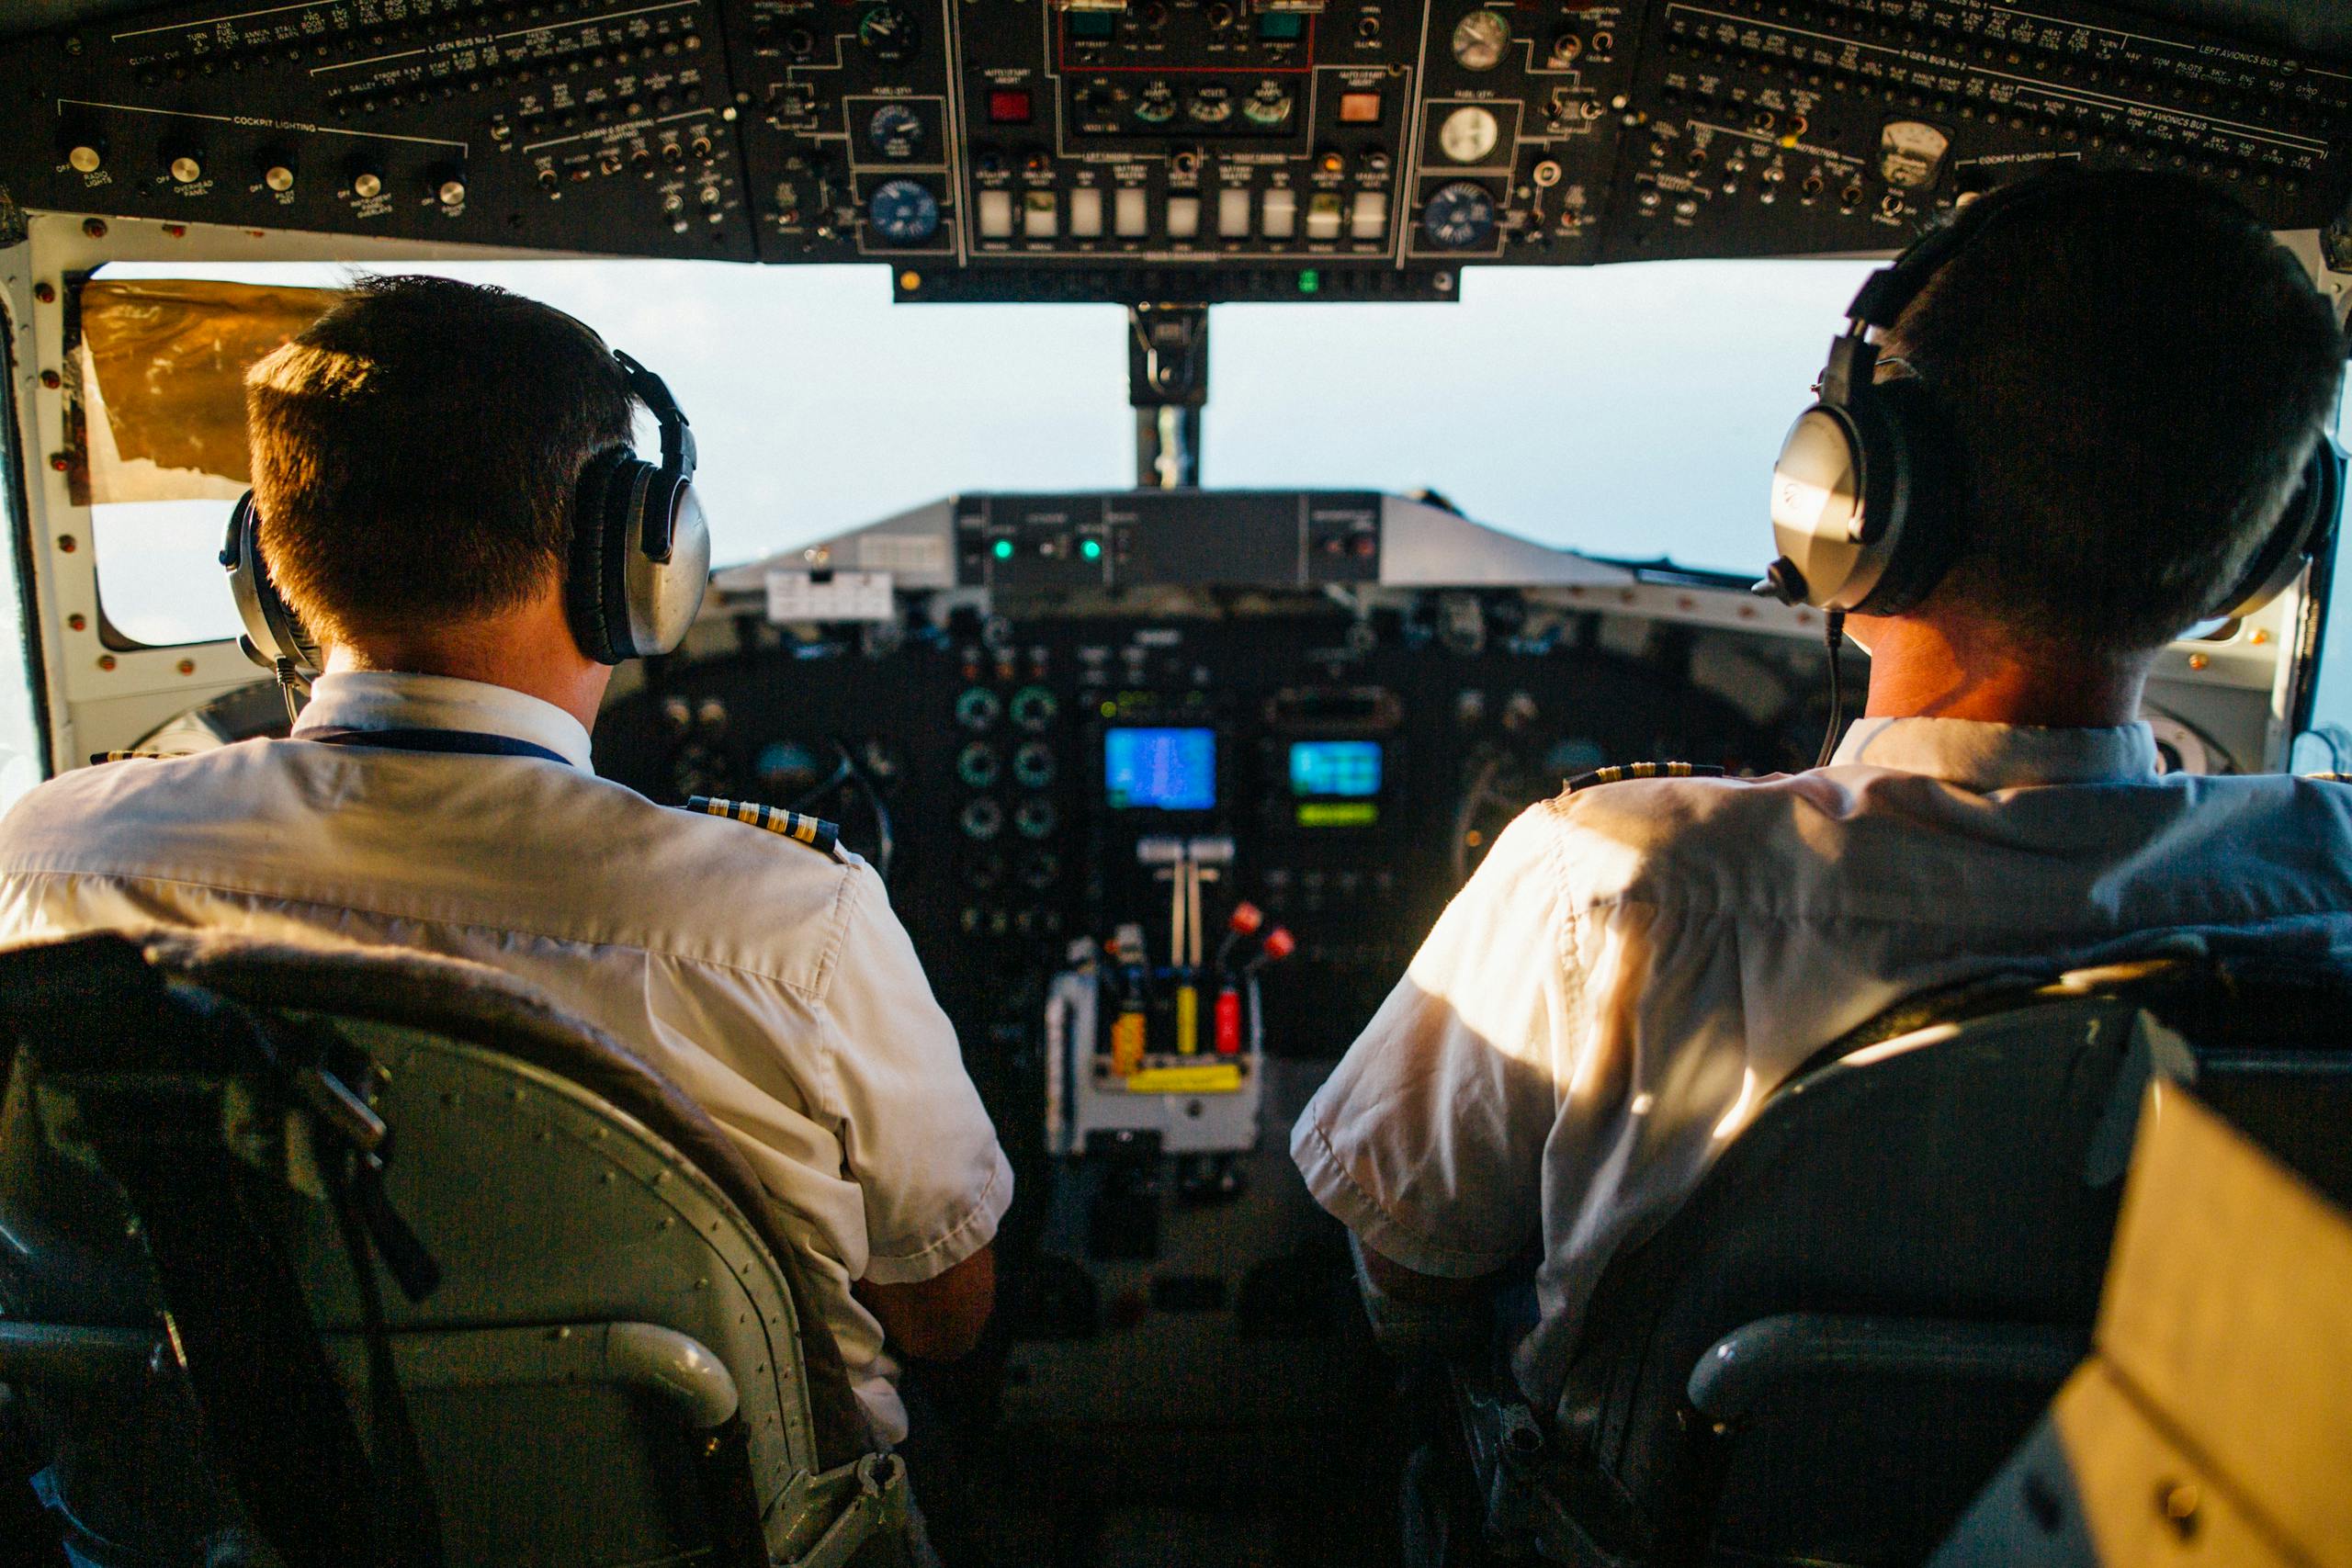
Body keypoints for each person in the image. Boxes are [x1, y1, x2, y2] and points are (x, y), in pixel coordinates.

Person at [1290, 170, 2352, 1417]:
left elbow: (1409, 1266)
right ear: (2268, 540)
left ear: (1856, 503)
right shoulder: (2327, 877)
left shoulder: (1613, 884)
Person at [0, 275, 1010, 1449]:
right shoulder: (790, 926)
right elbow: (944, 1314)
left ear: (267, 569)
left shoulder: (44, 861)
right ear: (638, 559)